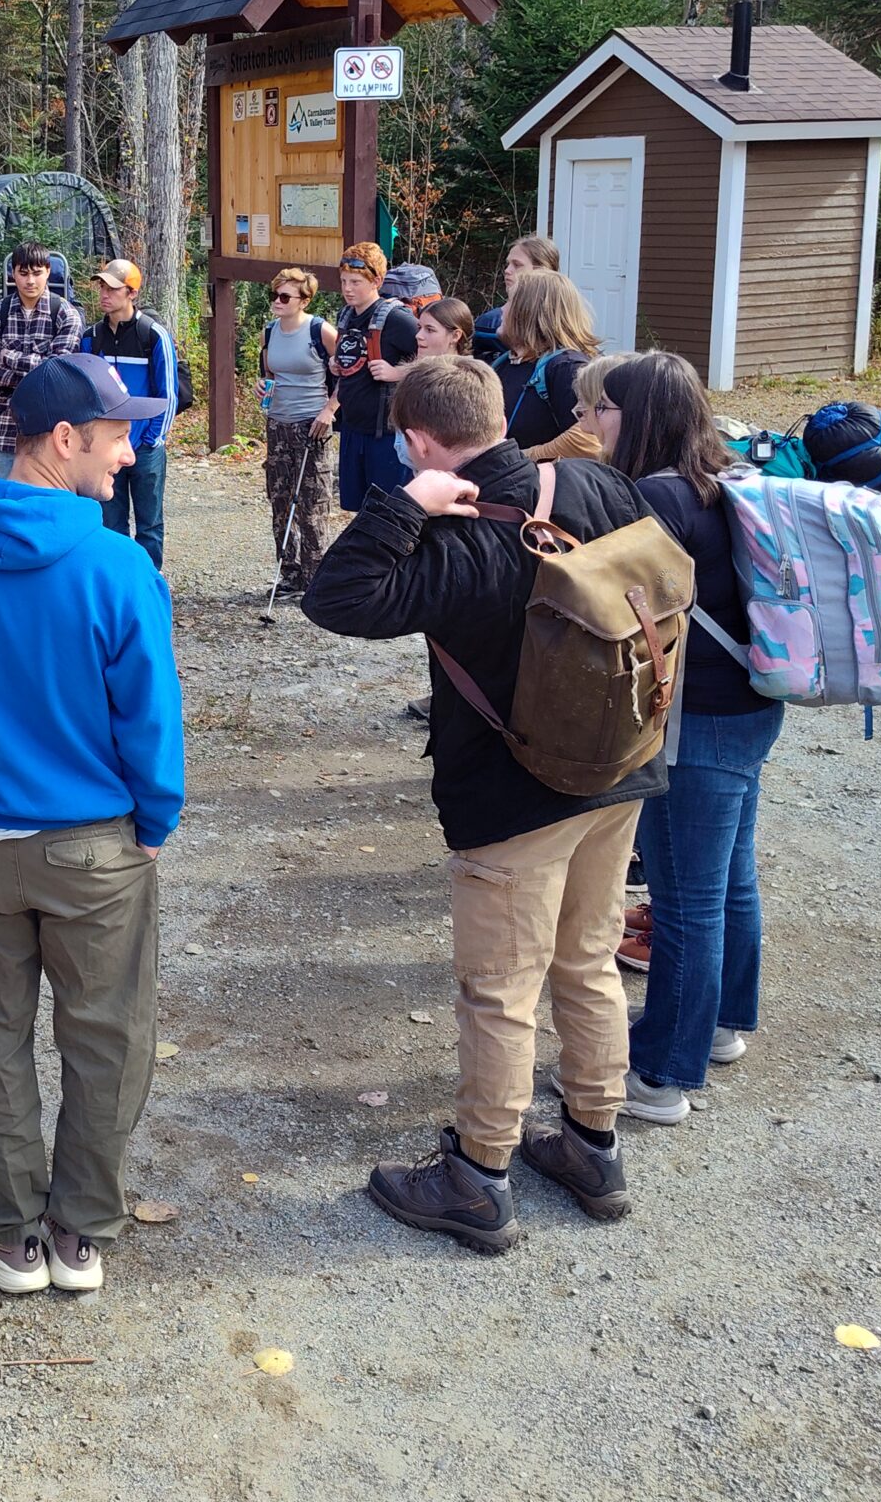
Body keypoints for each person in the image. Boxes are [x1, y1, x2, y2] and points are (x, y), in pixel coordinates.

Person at [302, 355, 666, 1253]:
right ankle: (593, 1148)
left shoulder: (454, 542)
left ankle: (479, 1176)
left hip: (515, 795)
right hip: (620, 764)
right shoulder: (593, 482)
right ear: (499, 418)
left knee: (500, 991)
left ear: (419, 441)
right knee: (586, 961)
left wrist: (404, 506)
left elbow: (335, 596)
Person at [0, 353, 186, 1296]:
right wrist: (155, 819)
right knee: (108, 1035)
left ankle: (9, 1229)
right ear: (63, 438)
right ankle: (79, 1230)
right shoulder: (118, 566)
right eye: (119, 435)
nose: (129, 453)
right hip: (95, 848)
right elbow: (150, 717)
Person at [593, 352, 781, 1127]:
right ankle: (725, 1024)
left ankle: (663, 1073)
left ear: (637, 416)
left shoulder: (656, 498)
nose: (591, 422)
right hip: (752, 704)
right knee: (730, 878)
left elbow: (617, 608)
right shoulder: (726, 477)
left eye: (602, 409)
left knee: (684, 901)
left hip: (692, 723)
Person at [78, 258, 183, 568]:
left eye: (112, 288)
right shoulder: (91, 337)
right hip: (105, 446)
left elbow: (168, 393)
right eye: (102, 287)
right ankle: (117, 580)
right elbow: (87, 392)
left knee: (149, 523)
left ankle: (147, 581)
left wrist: (152, 439)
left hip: (144, 446)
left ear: (132, 292)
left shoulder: (153, 335)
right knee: (110, 521)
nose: (104, 294)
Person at [318, 242, 418, 513]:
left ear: (377, 281)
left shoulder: (397, 319)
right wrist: (336, 364)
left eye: (356, 282)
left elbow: (437, 361)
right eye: (343, 281)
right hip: (353, 429)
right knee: (359, 510)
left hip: (386, 435)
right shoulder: (346, 316)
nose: (347, 289)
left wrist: (397, 372)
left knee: (389, 512)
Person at [258, 268, 338, 594]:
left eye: (285, 296)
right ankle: (289, 574)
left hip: (311, 424)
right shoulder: (269, 332)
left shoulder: (320, 331)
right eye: (274, 295)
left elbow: (347, 372)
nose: (277, 301)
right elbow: (268, 373)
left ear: (304, 301)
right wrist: (262, 386)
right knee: (280, 501)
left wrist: (329, 410)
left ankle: (315, 579)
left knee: (313, 504)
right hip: (278, 422)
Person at [0, 243, 82, 477]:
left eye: (37, 273)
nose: (30, 281)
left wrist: (8, 356)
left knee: (41, 497)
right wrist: (37, 370)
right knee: (3, 496)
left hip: (48, 429)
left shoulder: (66, 314)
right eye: (23, 273)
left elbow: (58, 371)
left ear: (48, 271)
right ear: (13, 273)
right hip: (3, 426)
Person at [493, 268, 600, 451]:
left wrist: (521, 460)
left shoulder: (567, 369)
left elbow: (588, 441)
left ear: (528, 312)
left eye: (509, 301)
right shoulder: (505, 362)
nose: (501, 310)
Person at [472, 234, 561, 360]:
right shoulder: (490, 324)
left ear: (541, 271)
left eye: (517, 265)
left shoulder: (564, 325)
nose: (507, 270)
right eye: (508, 264)